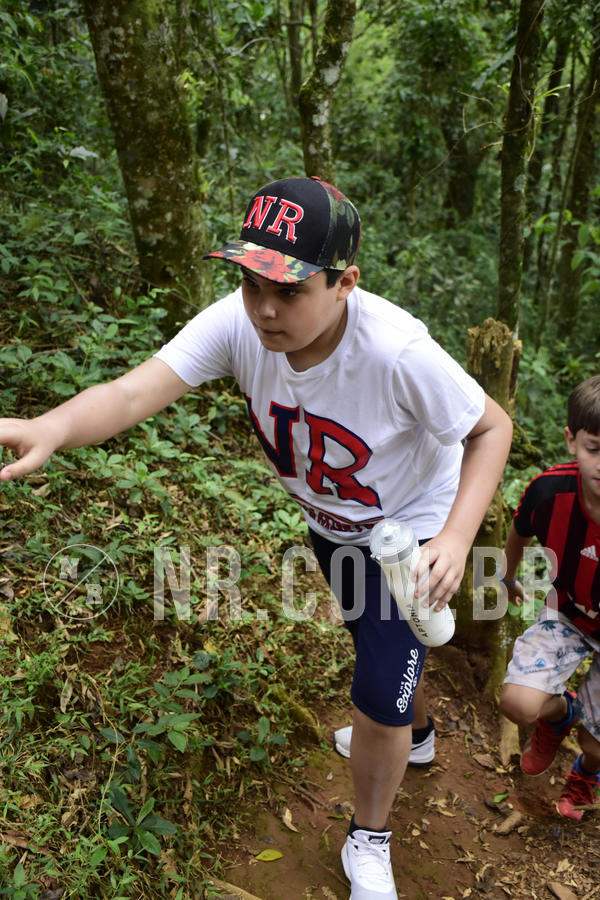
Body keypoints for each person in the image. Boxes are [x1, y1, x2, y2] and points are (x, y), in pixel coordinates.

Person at [0, 176, 512, 899]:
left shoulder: (398, 351)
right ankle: (414, 732)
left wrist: (457, 537)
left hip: (410, 533)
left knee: (377, 685)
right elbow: (131, 392)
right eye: (251, 283)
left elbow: (492, 427)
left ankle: (370, 833)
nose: (266, 309)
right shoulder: (238, 326)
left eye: (291, 291)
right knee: (380, 654)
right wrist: (51, 426)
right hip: (330, 525)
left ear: (345, 283)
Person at [499, 375, 600, 822]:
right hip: (569, 613)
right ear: (571, 441)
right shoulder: (548, 491)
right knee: (517, 704)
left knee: (596, 744)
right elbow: (518, 533)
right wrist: (507, 577)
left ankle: (585, 774)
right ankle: (560, 715)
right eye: (596, 448)